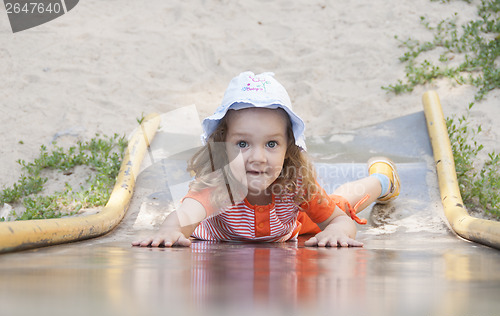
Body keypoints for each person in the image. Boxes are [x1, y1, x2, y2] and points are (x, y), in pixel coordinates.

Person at [132, 71, 400, 248]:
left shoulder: (295, 185)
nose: (257, 157)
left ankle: (382, 179)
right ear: (222, 145)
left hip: (290, 226)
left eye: (271, 144)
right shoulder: (219, 185)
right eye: (242, 144)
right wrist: (169, 231)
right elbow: (183, 217)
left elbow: (339, 221)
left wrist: (336, 231)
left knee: (341, 202)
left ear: (289, 148)